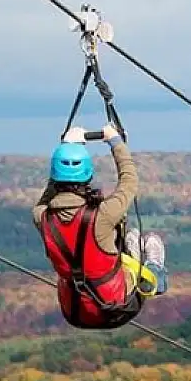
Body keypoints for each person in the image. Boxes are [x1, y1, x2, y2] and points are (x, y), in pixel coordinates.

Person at [33, 123, 168, 329]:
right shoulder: (101, 216)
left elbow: (47, 197)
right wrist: (115, 142)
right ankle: (156, 274)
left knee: (130, 239)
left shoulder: (42, 217)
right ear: (87, 174)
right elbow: (129, 181)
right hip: (117, 307)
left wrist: (67, 146)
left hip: (76, 312)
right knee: (147, 242)